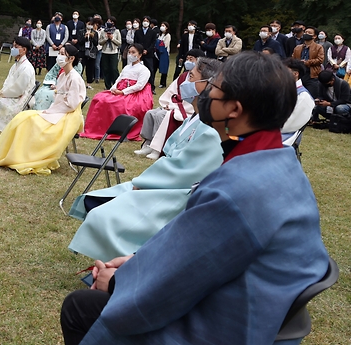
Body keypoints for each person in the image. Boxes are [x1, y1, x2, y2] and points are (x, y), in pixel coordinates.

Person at [60, 52, 330, 345]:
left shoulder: (236, 191)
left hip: (228, 327)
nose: (205, 94)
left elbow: (173, 284)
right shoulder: (281, 163)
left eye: (214, 88)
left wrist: (116, 283)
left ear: (234, 110)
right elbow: (190, 254)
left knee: (79, 308)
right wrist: (137, 261)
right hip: (259, 312)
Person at [67, 57, 225, 262]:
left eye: (191, 76)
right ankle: (112, 264)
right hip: (163, 182)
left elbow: (184, 169)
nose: (185, 80)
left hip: (177, 193)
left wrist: (144, 183)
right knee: (95, 201)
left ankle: (121, 266)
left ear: (208, 85)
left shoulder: (210, 127)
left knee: (104, 216)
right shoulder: (196, 117)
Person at [0, 45, 86, 174]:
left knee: (32, 121)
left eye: (62, 54)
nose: (59, 56)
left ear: (71, 58)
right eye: (59, 53)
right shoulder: (62, 76)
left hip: (68, 115)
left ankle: (25, 156)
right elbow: (58, 97)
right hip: (57, 110)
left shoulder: (75, 78)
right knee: (22, 117)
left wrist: (51, 111)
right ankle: (15, 154)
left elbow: (72, 104)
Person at [134, 48, 205, 159]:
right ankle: (148, 142)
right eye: (187, 59)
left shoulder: (200, 78)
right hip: (174, 104)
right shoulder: (183, 76)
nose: (188, 62)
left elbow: (192, 98)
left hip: (185, 108)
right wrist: (167, 103)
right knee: (150, 113)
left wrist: (173, 106)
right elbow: (172, 91)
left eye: (191, 59)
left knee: (161, 115)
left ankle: (156, 147)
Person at [80, 44, 153, 141]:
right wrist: (113, 88)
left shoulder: (144, 70)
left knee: (115, 104)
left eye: (133, 52)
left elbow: (139, 86)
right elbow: (118, 80)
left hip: (132, 94)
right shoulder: (126, 67)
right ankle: (96, 128)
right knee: (99, 98)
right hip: (120, 90)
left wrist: (122, 92)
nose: (130, 55)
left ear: (140, 55)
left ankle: (115, 129)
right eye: (129, 52)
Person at [282, 58, 317, 140]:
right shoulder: (282, 90)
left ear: (295, 74)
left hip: (284, 139)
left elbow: (290, 124)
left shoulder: (303, 97)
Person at [98, 18, 121, 91]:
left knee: (114, 69)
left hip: (113, 52)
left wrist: (112, 38)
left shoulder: (117, 31)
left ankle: (115, 84)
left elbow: (119, 43)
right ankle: (107, 86)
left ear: (113, 23)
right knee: (106, 69)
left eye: (110, 21)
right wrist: (105, 38)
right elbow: (100, 42)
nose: (108, 22)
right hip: (105, 52)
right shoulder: (103, 31)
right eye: (107, 21)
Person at [153, 21, 170, 88]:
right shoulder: (158, 35)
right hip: (156, 53)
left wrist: (159, 43)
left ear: (167, 28)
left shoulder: (168, 35)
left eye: (164, 26)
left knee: (164, 68)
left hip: (163, 53)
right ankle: (152, 81)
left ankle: (163, 83)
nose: (162, 27)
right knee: (154, 68)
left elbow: (165, 44)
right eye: (161, 25)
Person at [81, 19, 99, 86]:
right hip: (83, 51)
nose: (90, 25)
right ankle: (80, 82)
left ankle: (89, 83)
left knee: (90, 68)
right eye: (88, 24)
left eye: (91, 24)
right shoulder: (81, 31)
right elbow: (80, 41)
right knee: (81, 67)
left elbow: (96, 43)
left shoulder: (95, 33)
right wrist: (84, 37)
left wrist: (92, 37)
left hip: (92, 52)